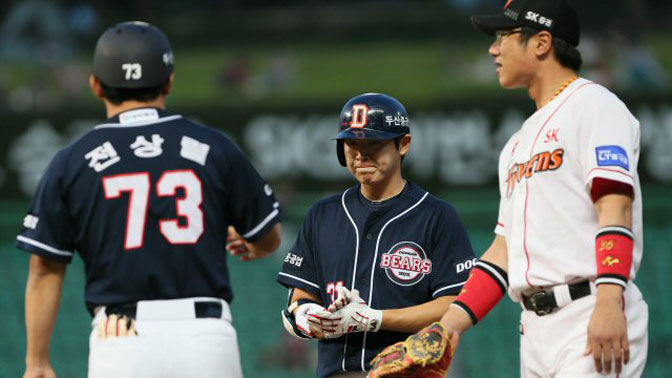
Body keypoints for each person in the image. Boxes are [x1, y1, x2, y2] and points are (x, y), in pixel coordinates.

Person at [373, 1, 649, 377]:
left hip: (591, 308)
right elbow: (503, 252)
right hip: (535, 330)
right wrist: (450, 324)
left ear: (542, 42)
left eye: (503, 35)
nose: (493, 48)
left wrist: (609, 300)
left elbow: (615, 208)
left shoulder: (595, 106)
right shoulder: (517, 145)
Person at [17, 21, 282, 378]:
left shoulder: (74, 160)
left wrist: (37, 363)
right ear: (169, 80)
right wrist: (255, 247)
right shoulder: (212, 146)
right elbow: (268, 237)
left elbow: (44, 268)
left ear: (96, 85)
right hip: (206, 336)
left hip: (120, 336)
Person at [276, 93, 477, 378]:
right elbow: (301, 296)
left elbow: (455, 304)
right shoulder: (322, 214)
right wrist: (309, 316)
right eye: (352, 143)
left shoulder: (436, 216)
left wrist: (375, 319)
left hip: (408, 372)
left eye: (373, 142)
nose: (361, 153)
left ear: (403, 144)